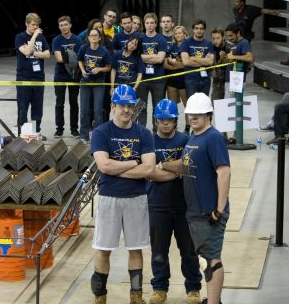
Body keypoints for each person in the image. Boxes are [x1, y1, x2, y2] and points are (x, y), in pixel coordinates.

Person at [160, 92, 231, 304]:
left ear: (208, 115)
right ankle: (212, 299)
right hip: (195, 212)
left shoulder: (214, 137)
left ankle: (213, 302)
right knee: (205, 259)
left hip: (208, 212)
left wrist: (218, 209)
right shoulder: (194, 137)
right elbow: (185, 164)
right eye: (191, 114)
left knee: (211, 261)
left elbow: (224, 172)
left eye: (198, 115)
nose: (193, 118)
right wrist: (161, 165)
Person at [90, 84, 156, 304]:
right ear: (113, 106)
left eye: (130, 105)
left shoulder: (144, 133)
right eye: (122, 106)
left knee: (135, 248)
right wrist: (132, 163)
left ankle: (135, 296)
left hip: (136, 198)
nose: (126, 110)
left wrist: (117, 168)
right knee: (103, 249)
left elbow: (148, 169)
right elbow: (104, 166)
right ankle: (100, 297)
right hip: (109, 198)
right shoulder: (101, 132)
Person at [146, 99, 202, 304]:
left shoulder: (186, 140)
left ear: (176, 121)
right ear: (155, 121)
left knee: (189, 250)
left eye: (169, 120)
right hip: (156, 205)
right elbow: (149, 172)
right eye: (161, 120)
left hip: (184, 205)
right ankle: (160, 288)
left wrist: (163, 165)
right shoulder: (149, 141)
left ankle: (193, 288)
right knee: (158, 250)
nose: (165, 124)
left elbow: (188, 167)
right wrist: (175, 170)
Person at [15, 12, 50, 136]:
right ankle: (24, 134)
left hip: (38, 76)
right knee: (23, 107)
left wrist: (33, 52)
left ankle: (35, 132)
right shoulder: (20, 37)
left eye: (37, 25)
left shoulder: (42, 38)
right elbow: (25, 53)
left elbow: (47, 54)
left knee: (37, 107)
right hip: (24, 76)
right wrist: (34, 36)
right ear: (27, 24)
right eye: (33, 25)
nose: (36, 27)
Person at [78, 28, 111, 143]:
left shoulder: (104, 51)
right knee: (84, 109)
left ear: (100, 38)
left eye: (96, 35)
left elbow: (108, 67)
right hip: (85, 81)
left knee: (98, 111)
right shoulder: (84, 48)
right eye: (91, 35)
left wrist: (100, 69)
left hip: (99, 83)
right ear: (88, 37)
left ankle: (98, 136)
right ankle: (83, 135)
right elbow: (80, 60)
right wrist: (82, 70)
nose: (93, 37)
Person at [51, 15, 82, 138]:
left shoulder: (77, 40)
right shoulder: (57, 40)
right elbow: (58, 59)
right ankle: (59, 129)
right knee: (60, 103)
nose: (63, 27)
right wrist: (72, 56)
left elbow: (80, 58)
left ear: (70, 25)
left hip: (74, 75)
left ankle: (74, 130)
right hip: (60, 75)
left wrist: (68, 56)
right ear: (59, 27)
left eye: (65, 24)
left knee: (74, 103)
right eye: (61, 25)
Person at [138, 13, 167, 131]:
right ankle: (141, 130)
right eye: (147, 23)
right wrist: (153, 56)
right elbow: (136, 57)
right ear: (144, 24)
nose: (149, 25)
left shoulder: (161, 39)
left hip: (158, 79)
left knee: (157, 106)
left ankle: (156, 131)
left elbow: (160, 59)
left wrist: (144, 57)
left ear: (156, 24)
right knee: (141, 106)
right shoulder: (139, 38)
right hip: (143, 78)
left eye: (152, 23)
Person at [181, 19, 215, 98]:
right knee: (193, 106)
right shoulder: (186, 42)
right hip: (191, 80)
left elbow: (210, 62)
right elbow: (186, 62)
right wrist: (204, 61)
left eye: (201, 28)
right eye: (196, 28)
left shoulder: (209, 44)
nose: (199, 31)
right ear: (193, 29)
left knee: (203, 106)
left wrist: (193, 58)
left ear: (204, 30)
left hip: (205, 80)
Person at [164, 26, 189, 132]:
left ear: (184, 34)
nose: (178, 35)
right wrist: (177, 65)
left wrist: (174, 63)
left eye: (180, 33)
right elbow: (165, 65)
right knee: (172, 106)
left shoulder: (188, 46)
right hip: (172, 81)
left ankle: (187, 128)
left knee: (187, 106)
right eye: (176, 33)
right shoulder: (172, 47)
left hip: (184, 80)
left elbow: (187, 65)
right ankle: (174, 127)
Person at [210, 27, 234, 102]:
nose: (215, 41)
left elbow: (238, 62)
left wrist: (226, 58)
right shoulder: (211, 47)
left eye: (218, 38)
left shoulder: (231, 47)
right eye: (213, 38)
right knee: (216, 105)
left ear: (223, 37)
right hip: (217, 81)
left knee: (230, 105)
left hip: (230, 80)